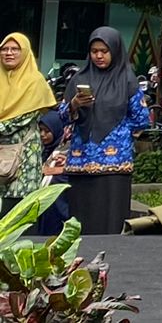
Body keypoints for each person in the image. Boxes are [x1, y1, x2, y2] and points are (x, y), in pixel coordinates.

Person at [61, 27, 149, 234]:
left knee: (110, 218)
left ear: (115, 51)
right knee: (80, 221)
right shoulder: (79, 79)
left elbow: (141, 119)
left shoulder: (127, 80)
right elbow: (62, 117)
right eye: (94, 51)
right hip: (80, 161)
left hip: (114, 163)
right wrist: (74, 104)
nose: (99, 56)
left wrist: (117, 131)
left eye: (104, 51)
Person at [0, 34, 58, 214]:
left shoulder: (35, 82)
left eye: (15, 49)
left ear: (25, 52)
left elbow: (20, 119)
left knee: (18, 211)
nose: (9, 53)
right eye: (4, 49)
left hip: (23, 157)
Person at [36, 110, 70, 237]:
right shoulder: (43, 151)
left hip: (58, 211)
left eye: (47, 131)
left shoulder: (65, 151)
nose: (43, 135)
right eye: (41, 131)